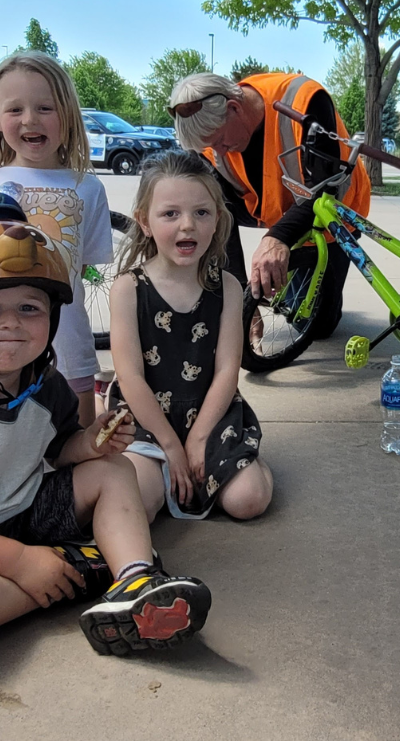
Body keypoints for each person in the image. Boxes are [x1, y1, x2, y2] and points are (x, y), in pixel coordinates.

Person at [0, 211, 212, 653]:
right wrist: (18, 562)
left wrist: (89, 443)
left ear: (50, 320)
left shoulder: (44, 383)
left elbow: (57, 451)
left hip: (27, 512)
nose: (11, 322)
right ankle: (80, 572)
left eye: (29, 308)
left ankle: (134, 578)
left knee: (113, 469)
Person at [0, 52, 112, 427]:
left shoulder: (87, 187)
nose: (30, 120)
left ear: (67, 115)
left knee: (77, 441)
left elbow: (79, 268)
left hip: (68, 345)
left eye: (45, 108)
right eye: (15, 109)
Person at [106, 151, 273, 522]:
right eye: (170, 214)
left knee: (249, 501)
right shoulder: (128, 289)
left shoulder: (228, 287)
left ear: (217, 220)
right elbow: (130, 377)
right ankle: (161, 473)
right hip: (147, 420)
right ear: (144, 222)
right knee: (138, 503)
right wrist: (170, 446)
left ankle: (246, 457)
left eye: (201, 212)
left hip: (211, 414)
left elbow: (228, 370)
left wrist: (198, 440)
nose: (187, 226)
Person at [168, 71, 370, 338]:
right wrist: (240, 295)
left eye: (219, 141)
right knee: (201, 208)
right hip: (271, 208)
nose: (219, 152)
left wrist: (277, 238)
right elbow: (219, 209)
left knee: (314, 326)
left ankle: (301, 284)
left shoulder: (307, 101)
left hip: (332, 213)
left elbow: (326, 191)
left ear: (234, 108)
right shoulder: (214, 135)